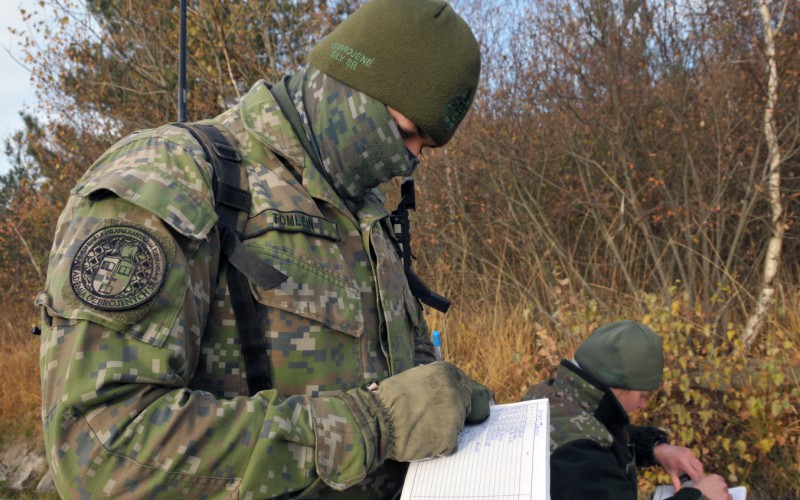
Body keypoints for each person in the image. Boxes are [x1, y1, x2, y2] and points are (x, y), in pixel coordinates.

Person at [35, 0, 492, 498]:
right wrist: (371, 425)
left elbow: (398, 377)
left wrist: (443, 396)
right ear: (347, 88)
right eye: (405, 134)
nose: (408, 163)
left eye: (424, 148)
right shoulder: (172, 177)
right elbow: (101, 450)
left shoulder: (366, 216)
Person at [523, 320, 732, 500]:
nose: (643, 404)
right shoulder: (581, 459)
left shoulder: (550, 395)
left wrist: (654, 450)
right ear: (616, 387)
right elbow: (591, 446)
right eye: (642, 395)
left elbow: (598, 431)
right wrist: (699, 496)